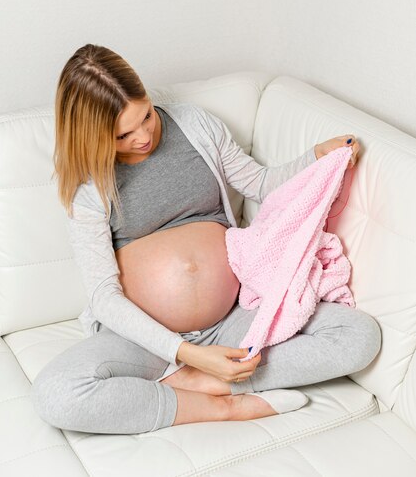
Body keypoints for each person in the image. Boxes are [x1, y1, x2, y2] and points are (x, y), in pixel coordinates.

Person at [31, 44, 381, 434]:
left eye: (145, 115)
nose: (144, 135)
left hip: (232, 317)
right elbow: (103, 296)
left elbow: (259, 184)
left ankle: (206, 380)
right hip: (147, 340)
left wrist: (315, 158)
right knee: (56, 394)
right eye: (122, 135)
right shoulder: (89, 188)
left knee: (359, 337)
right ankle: (219, 405)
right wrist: (187, 353)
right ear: (92, 137)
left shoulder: (194, 125)